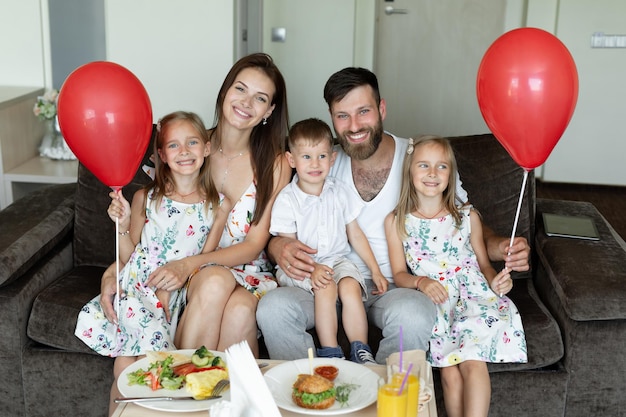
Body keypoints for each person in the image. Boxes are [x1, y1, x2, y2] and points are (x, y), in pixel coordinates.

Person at [257, 67, 530, 364]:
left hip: (389, 288)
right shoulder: (320, 160)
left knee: (414, 313)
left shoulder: (418, 160)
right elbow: (279, 229)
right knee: (273, 309)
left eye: (364, 111)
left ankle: (382, 397)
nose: (354, 125)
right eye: (342, 115)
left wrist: (501, 247)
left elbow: (461, 220)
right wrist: (278, 247)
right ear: (331, 117)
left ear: (382, 108)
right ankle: (308, 393)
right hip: (323, 284)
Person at [75, 111, 228, 414]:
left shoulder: (218, 205)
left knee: (149, 370)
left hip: (174, 290)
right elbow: (128, 255)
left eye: (192, 142)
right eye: (173, 145)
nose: (184, 151)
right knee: (123, 369)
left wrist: (174, 288)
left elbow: (202, 263)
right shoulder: (146, 197)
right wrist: (120, 226)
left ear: (207, 148)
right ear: (161, 154)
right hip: (138, 287)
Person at [384, 135, 527, 417]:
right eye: (423, 165)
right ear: (409, 171)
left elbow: (485, 266)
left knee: (473, 363)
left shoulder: (466, 217)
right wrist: (421, 282)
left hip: (472, 297)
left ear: (451, 174)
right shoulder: (397, 221)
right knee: (449, 374)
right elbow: (399, 274)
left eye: (442, 167)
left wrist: (498, 280)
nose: (432, 174)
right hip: (436, 301)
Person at [270, 118, 387, 364]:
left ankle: (361, 350)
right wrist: (312, 270)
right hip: (300, 267)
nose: (315, 164)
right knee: (326, 285)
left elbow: (355, 233)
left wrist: (375, 270)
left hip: (337, 260)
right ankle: (331, 352)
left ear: (332, 159)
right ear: (292, 160)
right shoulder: (287, 200)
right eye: (306, 157)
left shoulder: (340, 191)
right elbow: (289, 249)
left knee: (350, 285)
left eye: (322, 156)